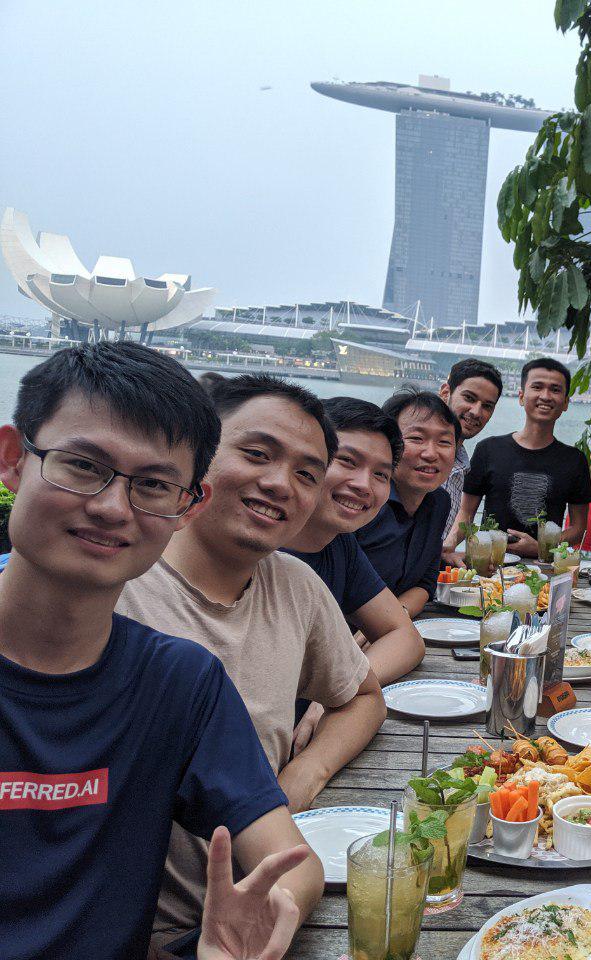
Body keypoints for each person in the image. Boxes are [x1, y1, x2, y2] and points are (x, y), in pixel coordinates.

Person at [0, 343, 320, 958]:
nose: (111, 508)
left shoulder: (179, 682)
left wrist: (269, 912)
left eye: (152, 485)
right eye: (82, 466)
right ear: (14, 459)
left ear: (185, 507)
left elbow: (287, 861)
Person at [116, 374, 385, 951]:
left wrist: (300, 777)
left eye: (306, 474)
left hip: (246, 919)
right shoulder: (114, 583)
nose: (279, 483)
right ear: (194, 453)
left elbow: (362, 695)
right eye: (257, 454)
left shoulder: (294, 585)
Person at [283, 396, 424, 752]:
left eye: (381, 474)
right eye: (347, 461)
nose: (364, 485)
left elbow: (405, 637)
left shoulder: (337, 543)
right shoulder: (260, 553)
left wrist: (339, 689)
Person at [458, 358, 591, 558]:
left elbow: (579, 527)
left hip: (544, 569)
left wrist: (542, 547)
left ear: (565, 402)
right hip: (490, 567)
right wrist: (449, 545)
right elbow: (466, 515)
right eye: (537, 387)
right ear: (521, 396)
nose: (545, 396)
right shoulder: (488, 449)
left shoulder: (574, 460)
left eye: (555, 390)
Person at [357, 388, 459, 616]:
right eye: (416, 438)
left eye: (444, 442)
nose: (431, 453)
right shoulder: (361, 499)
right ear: (387, 445)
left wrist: (393, 619)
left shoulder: (439, 502)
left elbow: (425, 583)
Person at [438, 358, 503, 553]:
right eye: (469, 398)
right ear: (445, 393)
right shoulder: (418, 453)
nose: (476, 412)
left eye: (487, 406)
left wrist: (444, 552)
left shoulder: (461, 462)